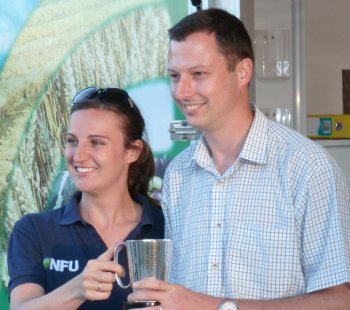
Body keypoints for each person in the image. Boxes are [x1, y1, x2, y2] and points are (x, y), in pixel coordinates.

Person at [127, 8, 350, 310]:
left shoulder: (306, 166)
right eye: (175, 76)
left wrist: (217, 307)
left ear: (243, 72)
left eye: (199, 74)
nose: (182, 91)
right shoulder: (179, 173)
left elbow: (341, 299)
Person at [7, 87, 164, 309]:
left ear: (133, 151)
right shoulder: (34, 230)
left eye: (97, 142)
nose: (78, 156)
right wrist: (77, 289)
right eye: (72, 141)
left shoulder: (167, 228)